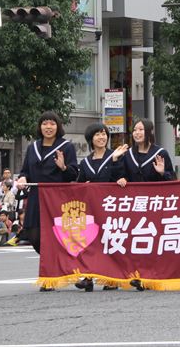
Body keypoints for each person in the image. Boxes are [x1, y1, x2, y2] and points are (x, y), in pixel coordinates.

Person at [16, 111, 79, 274]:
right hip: (36, 197)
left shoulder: (66, 147)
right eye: (45, 123)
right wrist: (22, 178)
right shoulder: (33, 148)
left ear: (58, 127)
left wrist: (63, 167)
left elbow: (74, 174)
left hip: (57, 198)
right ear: (40, 127)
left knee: (57, 236)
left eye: (52, 123)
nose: (48, 127)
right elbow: (25, 171)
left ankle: (52, 274)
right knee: (34, 236)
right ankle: (55, 265)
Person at [75, 123, 129, 292]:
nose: (102, 137)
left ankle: (111, 278)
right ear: (91, 139)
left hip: (110, 208)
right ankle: (88, 277)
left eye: (104, 134)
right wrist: (84, 185)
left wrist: (119, 171)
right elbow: (79, 184)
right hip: (92, 209)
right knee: (90, 242)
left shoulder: (116, 156)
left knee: (110, 243)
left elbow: (120, 176)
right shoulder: (85, 162)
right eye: (98, 134)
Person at [117, 118, 175, 186]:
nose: (137, 132)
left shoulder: (160, 153)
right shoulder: (128, 154)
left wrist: (162, 173)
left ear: (150, 132)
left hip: (155, 192)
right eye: (134, 130)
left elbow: (172, 180)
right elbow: (123, 175)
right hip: (134, 192)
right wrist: (123, 179)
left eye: (141, 129)